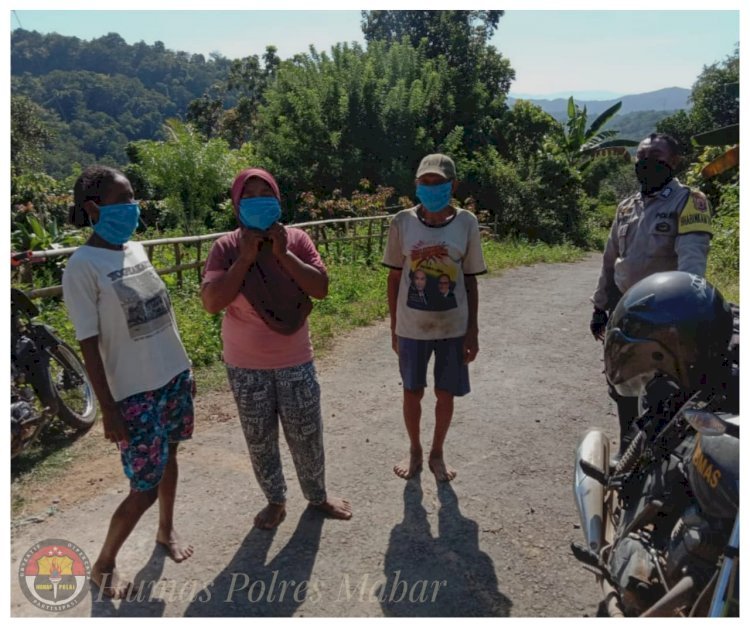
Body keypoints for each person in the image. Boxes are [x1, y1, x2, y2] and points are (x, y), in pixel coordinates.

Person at [63, 165, 195, 599]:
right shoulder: (82, 267)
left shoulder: (135, 249)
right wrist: (109, 408)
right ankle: (103, 565)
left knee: (170, 455)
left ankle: (166, 531)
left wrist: (184, 365)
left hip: (171, 377)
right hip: (133, 394)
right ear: (93, 208)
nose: (134, 207)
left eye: (134, 196)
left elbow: (162, 317)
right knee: (144, 488)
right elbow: (88, 345)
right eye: (125, 199)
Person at [200, 167, 352, 529]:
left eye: (264, 194)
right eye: (248, 195)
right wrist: (246, 259)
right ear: (237, 203)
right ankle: (275, 500)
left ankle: (317, 495)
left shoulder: (297, 240)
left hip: (295, 359)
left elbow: (320, 288)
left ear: (278, 199)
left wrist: (283, 254)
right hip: (244, 364)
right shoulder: (226, 247)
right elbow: (211, 301)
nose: (257, 202)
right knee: (259, 438)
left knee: (307, 434)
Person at [589, 133, 714, 457]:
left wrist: (686, 307)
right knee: (622, 386)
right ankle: (627, 451)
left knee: (664, 389)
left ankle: (658, 460)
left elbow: (691, 262)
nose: (646, 164)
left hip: (665, 314)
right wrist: (600, 306)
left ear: (674, 163)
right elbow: (610, 260)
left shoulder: (688, 201)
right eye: (641, 158)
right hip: (625, 310)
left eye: (656, 158)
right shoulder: (627, 207)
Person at [382, 153, 487, 482]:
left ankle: (437, 452)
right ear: (416, 185)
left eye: (438, 183)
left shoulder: (467, 223)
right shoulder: (402, 222)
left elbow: (469, 280)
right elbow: (395, 278)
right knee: (412, 391)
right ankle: (414, 449)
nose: (430, 188)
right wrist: (394, 327)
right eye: (424, 182)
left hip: (452, 327)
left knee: (446, 392)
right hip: (412, 326)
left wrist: (473, 332)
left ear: (452, 185)